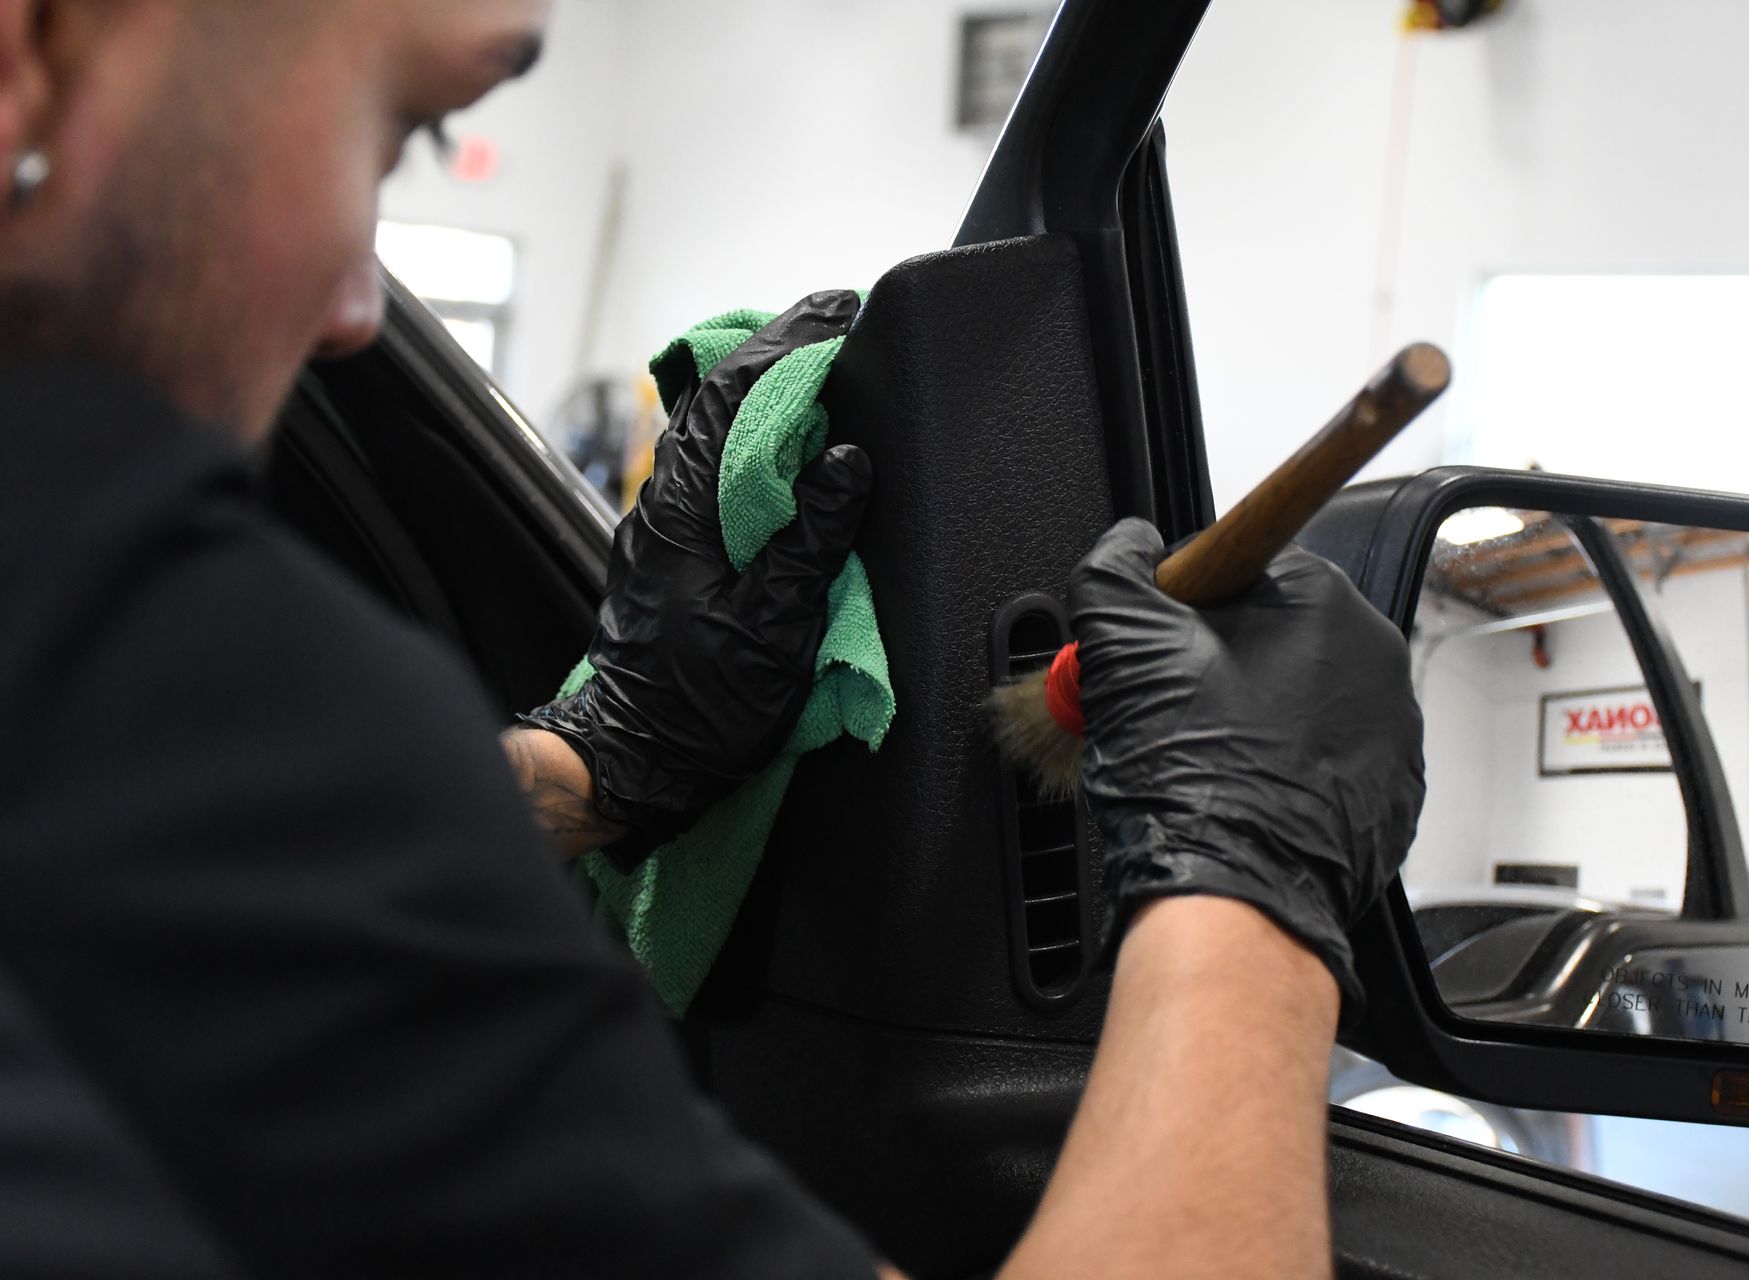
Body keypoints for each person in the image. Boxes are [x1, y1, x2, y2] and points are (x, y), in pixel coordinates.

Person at [0, 2, 1426, 1277]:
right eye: (405, 131)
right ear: (26, 54)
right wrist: (1253, 876)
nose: (354, 308)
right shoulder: (148, 659)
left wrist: (602, 760)